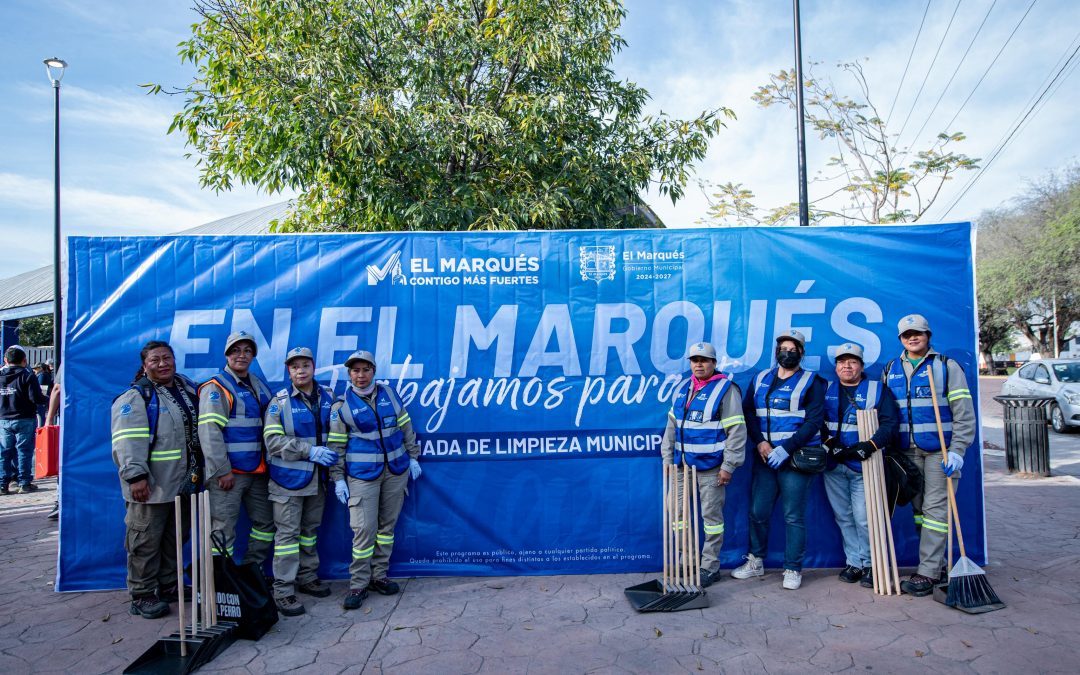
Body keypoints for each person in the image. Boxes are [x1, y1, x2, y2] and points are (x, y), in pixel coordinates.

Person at [883, 314, 975, 597]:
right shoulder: (891, 369)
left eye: (918, 333)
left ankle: (928, 572)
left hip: (940, 453)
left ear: (928, 335)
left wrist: (958, 450)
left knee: (935, 511)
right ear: (900, 339)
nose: (913, 338)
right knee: (921, 512)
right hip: (906, 453)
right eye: (907, 334)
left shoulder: (946, 367)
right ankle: (939, 563)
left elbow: (964, 415)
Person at [111, 340, 199, 619]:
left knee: (175, 538)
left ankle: (169, 586)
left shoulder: (187, 389)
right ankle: (142, 594)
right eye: (155, 360)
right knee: (144, 541)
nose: (163, 364)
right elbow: (127, 442)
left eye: (167, 358)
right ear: (144, 365)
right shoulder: (136, 398)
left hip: (183, 483)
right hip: (150, 487)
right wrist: (136, 476)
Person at [328, 350, 421, 610]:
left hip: (395, 471)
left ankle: (379, 576)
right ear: (349, 374)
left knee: (386, 529)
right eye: (355, 370)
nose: (360, 375)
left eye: (365, 369)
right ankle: (358, 583)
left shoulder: (389, 394)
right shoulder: (341, 406)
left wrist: (413, 457)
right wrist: (338, 478)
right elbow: (336, 446)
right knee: (364, 530)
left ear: (373, 371)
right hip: (361, 477)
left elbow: (405, 427)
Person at [733, 330, 826, 590]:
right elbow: (748, 412)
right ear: (776, 352)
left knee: (793, 516)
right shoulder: (761, 377)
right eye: (783, 348)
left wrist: (786, 448)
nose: (787, 353)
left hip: (795, 459)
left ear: (801, 353)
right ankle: (755, 561)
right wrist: (760, 442)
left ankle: (793, 568)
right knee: (758, 512)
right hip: (764, 457)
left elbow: (814, 420)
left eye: (793, 349)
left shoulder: (812, 381)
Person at [660, 342, 746, 587]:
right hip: (680, 466)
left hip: (711, 468)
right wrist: (668, 460)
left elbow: (737, 430)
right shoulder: (683, 389)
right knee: (677, 515)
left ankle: (709, 566)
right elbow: (671, 428)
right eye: (694, 360)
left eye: (704, 360)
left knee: (712, 518)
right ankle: (687, 561)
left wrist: (729, 465)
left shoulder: (726, 389)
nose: (699, 364)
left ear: (714, 363)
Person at [262, 347, 337, 616]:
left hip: (318, 480)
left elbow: (339, 433)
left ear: (313, 367)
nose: (300, 370)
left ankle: (307, 577)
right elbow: (272, 441)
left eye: (305, 365)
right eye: (295, 367)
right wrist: (309, 451)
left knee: (309, 533)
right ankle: (283, 591)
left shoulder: (328, 396)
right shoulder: (278, 402)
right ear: (289, 371)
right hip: (288, 481)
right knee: (287, 537)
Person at [821, 342, 899, 588]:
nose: (847, 366)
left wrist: (871, 445)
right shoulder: (827, 391)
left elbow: (890, 424)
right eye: (842, 362)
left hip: (865, 464)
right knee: (843, 517)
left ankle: (871, 564)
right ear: (836, 367)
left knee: (865, 518)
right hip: (835, 465)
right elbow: (818, 422)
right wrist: (829, 442)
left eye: (852, 361)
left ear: (861, 366)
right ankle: (854, 561)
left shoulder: (877, 390)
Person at [199, 331, 276, 565]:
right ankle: (222, 586)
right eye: (236, 350)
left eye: (247, 351)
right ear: (227, 354)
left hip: (258, 472)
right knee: (223, 530)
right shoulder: (217, 387)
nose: (241, 355)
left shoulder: (258, 385)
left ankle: (251, 574)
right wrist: (222, 470)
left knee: (266, 524)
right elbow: (209, 432)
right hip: (229, 474)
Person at [1, 346, 49, 495]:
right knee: (24, 451)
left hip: (3, 419)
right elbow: (35, 398)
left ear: (5, 360)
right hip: (25, 418)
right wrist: (48, 399)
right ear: (24, 361)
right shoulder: (28, 375)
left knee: (4, 452)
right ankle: (24, 482)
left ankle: (3, 484)